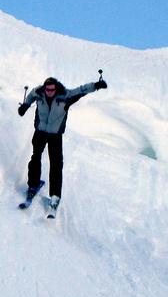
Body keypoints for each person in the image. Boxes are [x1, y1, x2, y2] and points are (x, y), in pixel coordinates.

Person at [18, 76, 107, 207]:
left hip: (55, 135)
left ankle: (55, 194)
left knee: (56, 163)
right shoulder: (38, 93)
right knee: (35, 157)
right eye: (47, 89)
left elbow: (81, 90)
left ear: (56, 88)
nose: (49, 92)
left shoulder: (65, 95)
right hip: (40, 132)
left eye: (52, 89)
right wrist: (25, 106)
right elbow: (30, 96)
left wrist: (96, 85)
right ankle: (33, 185)